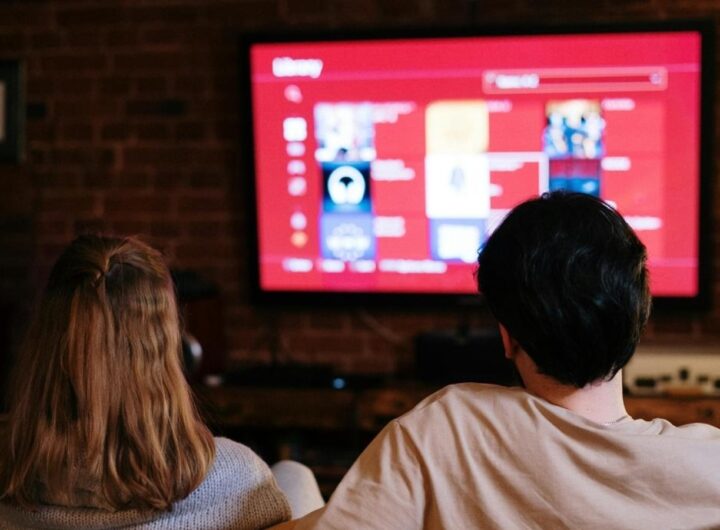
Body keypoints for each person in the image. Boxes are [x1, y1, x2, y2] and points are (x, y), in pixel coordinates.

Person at [281, 191, 720, 529]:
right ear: (638, 320)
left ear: (508, 338)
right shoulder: (707, 465)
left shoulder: (445, 428)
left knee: (290, 474)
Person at [0, 235, 299, 529]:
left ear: (46, 345)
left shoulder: (11, 481)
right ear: (167, 346)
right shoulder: (238, 480)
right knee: (295, 473)